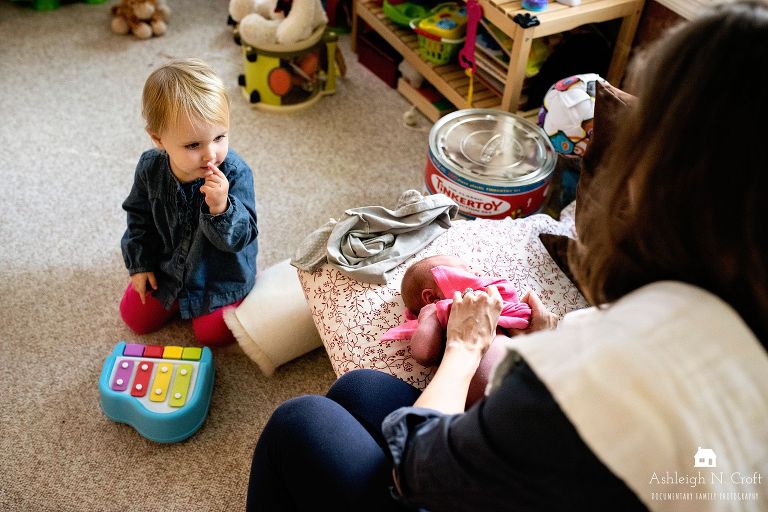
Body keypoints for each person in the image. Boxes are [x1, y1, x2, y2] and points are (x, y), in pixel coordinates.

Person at [246, 2, 768, 510]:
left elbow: (418, 472)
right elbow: (426, 352)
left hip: (451, 468)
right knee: (360, 390)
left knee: (300, 423)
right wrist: (532, 347)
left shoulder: (600, 366)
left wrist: (466, 348)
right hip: (533, 451)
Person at [120, 58, 259, 346]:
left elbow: (241, 239)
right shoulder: (150, 167)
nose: (211, 154)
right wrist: (140, 264)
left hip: (219, 279)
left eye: (219, 137)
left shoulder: (235, 173)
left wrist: (221, 209)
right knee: (134, 317)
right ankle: (174, 293)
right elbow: (138, 217)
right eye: (193, 145)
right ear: (158, 139)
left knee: (212, 335)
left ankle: (234, 302)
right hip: (168, 268)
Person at [381, 254, 532, 406]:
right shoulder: (437, 316)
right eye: (465, 272)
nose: (476, 273)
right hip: (492, 404)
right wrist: (429, 315)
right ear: (431, 297)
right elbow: (423, 354)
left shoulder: (484, 308)